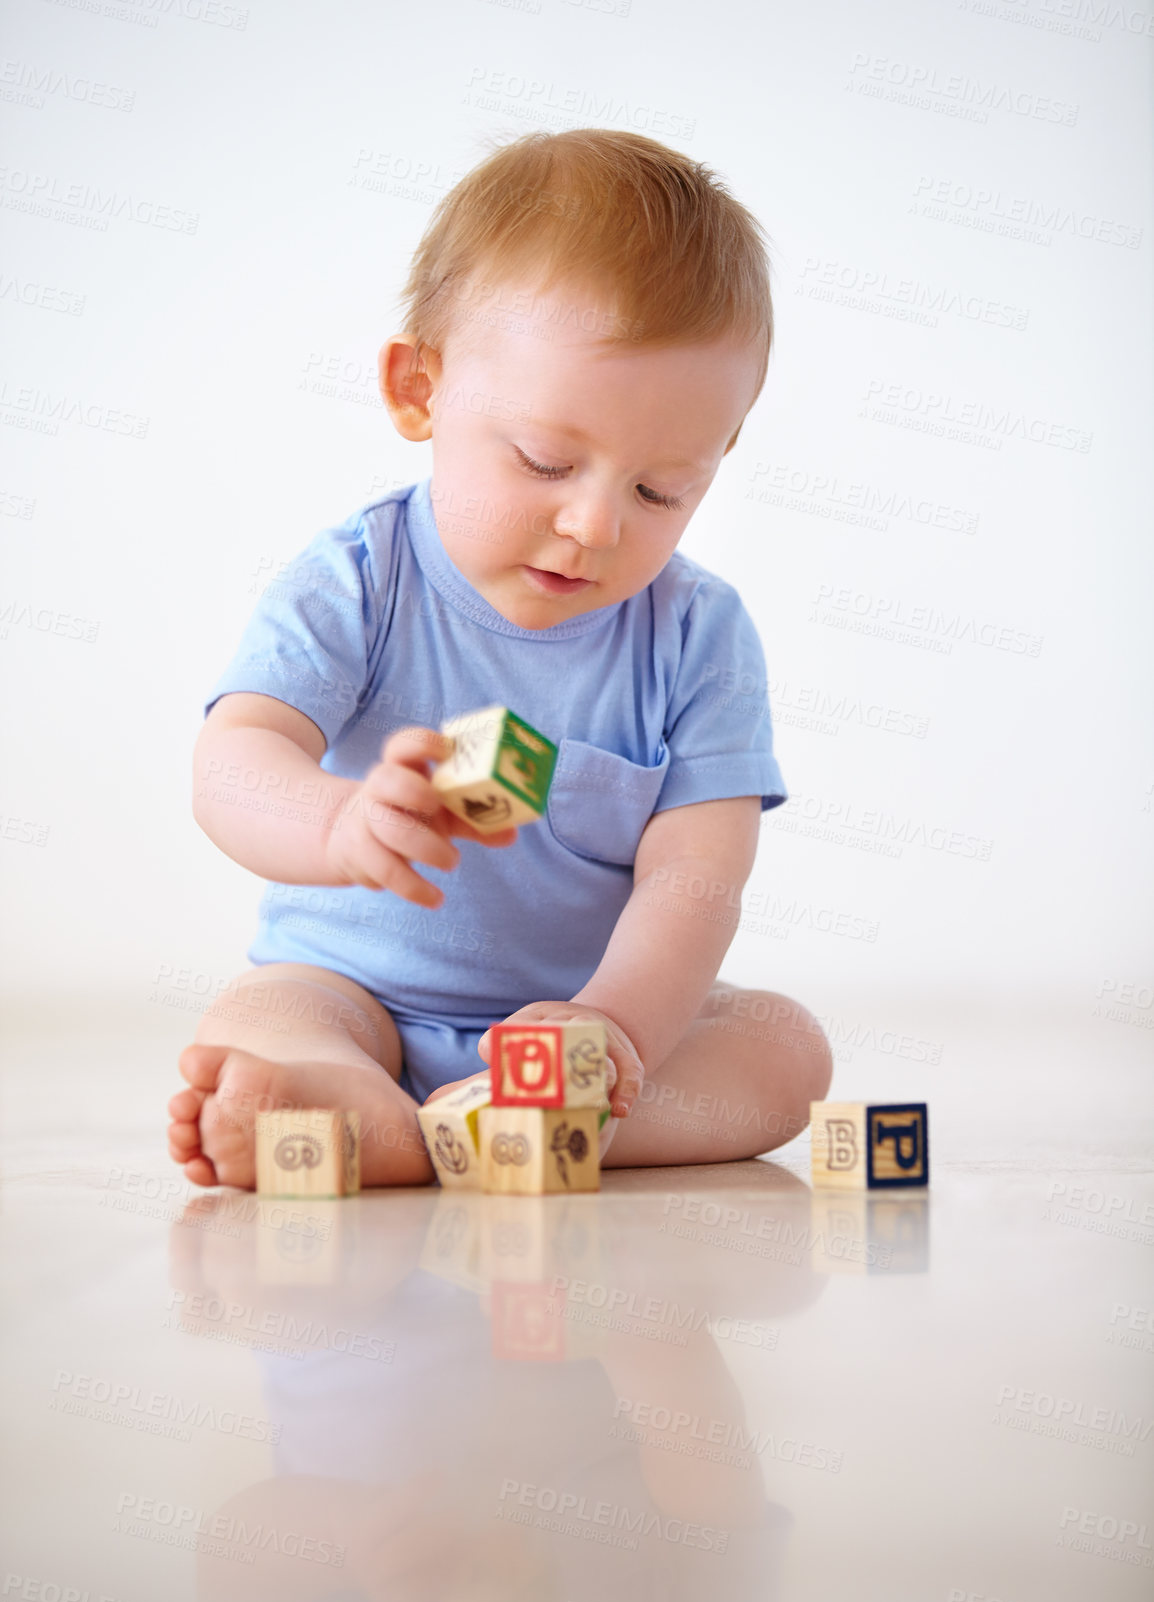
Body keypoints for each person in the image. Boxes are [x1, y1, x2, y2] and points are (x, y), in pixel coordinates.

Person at [167, 128, 833, 1190]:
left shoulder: (698, 634)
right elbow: (230, 761)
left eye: (660, 489)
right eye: (545, 460)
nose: (592, 523)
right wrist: (335, 822)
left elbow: (697, 875)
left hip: (578, 1021)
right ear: (418, 391)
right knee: (267, 1014)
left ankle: (478, 1126)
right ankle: (371, 1108)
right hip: (354, 992)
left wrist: (609, 1026)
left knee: (786, 1052)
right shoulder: (359, 580)